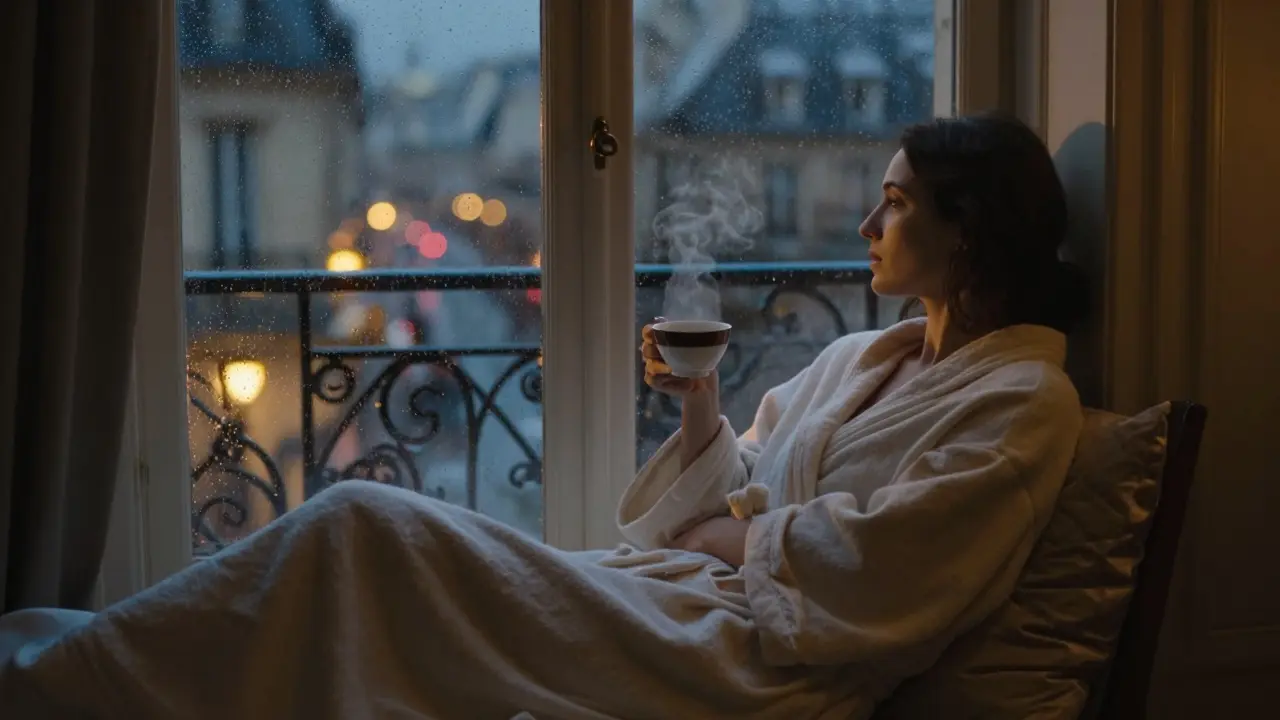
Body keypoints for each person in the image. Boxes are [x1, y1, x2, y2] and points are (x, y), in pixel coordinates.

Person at [0, 113, 1088, 720]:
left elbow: (898, 572)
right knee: (362, 545)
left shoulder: (1024, 404)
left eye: (894, 201)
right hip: (685, 604)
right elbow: (741, 480)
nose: (864, 220)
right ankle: (98, 673)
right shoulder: (862, 355)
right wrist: (703, 408)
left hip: (756, 665)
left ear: (971, 226)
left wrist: (737, 537)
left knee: (363, 528)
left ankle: (72, 687)